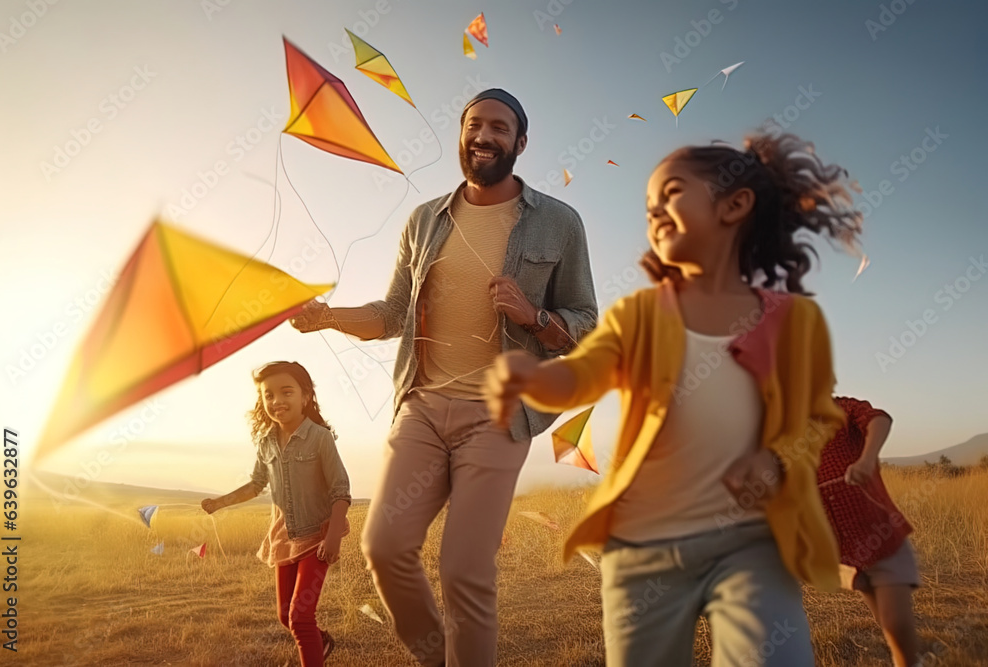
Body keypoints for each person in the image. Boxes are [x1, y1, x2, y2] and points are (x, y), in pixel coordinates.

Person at [485, 131, 866, 666]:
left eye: (672, 193)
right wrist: (532, 380)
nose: (655, 211)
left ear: (736, 205)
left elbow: (815, 420)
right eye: (648, 206)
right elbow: (585, 377)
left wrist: (775, 463)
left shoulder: (792, 322)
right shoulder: (639, 316)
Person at [290, 88, 598, 666]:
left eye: (500, 128)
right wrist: (327, 317)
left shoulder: (560, 222)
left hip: (501, 414)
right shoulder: (424, 220)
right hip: (424, 408)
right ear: (462, 135)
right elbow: (390, 314)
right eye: (474, 125)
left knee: (464, 569)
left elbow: (586, 323)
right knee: (383, 547)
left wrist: (535, 318)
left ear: (521, 143)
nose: (484, 136)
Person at [202, 361, 351, 666]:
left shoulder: (320, 438)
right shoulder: (266, 442)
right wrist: (220, 502)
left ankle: (312, 648)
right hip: (284, 538)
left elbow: (340, 490)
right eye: (268, 395)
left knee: (300, 616)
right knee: (285, 616)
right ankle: (320, 641)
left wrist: (334, 535)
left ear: (305, 396)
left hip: (317, 537)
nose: (276, 401)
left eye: (286, 392)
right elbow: (256, 484)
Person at [819, 396, 919, 667]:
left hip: (881, 535)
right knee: (886, 624)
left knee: (895, 622)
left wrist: (866, 460)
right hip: (847, 550)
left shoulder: (843, 409)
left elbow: (879, 418)